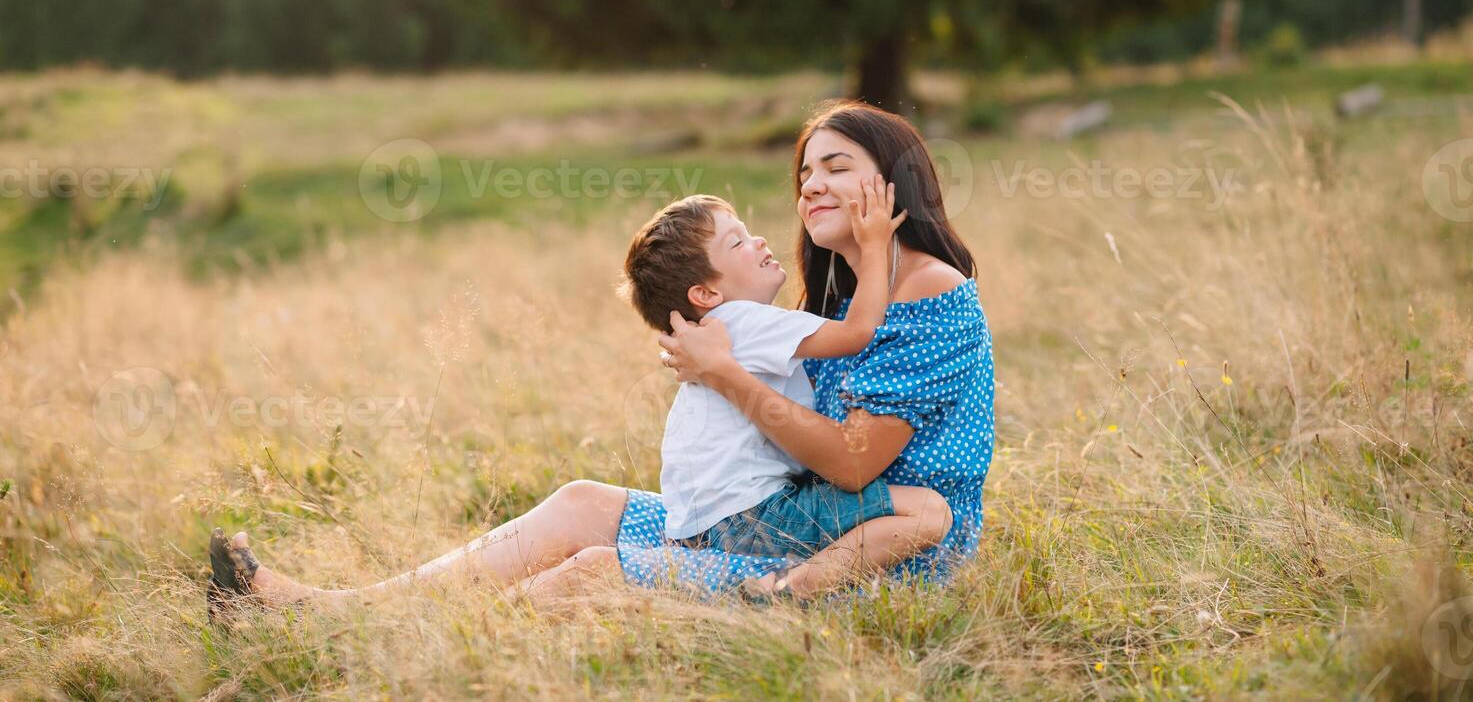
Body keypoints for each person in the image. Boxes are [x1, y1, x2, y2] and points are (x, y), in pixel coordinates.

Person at [206, 100, 994, 611]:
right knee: (583, 503)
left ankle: (412, 653)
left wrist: (722, 375)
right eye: (803, 172)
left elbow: (856, 467)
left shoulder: (923, 289)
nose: (810, 187)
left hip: (878, 562)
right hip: (789, 524)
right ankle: (334, 612)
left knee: (591, 572)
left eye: (836, 167)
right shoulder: (840, 293)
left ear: (892, 188)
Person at [619, 181, 951, 600]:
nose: (757, 240)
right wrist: (874, 246)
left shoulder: (717, 332)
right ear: (706, 294)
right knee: (927, 510)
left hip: (696, 526)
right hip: (749, 517)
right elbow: (859, 331)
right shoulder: (744, 319)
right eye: (736, 241)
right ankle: (792, 589)